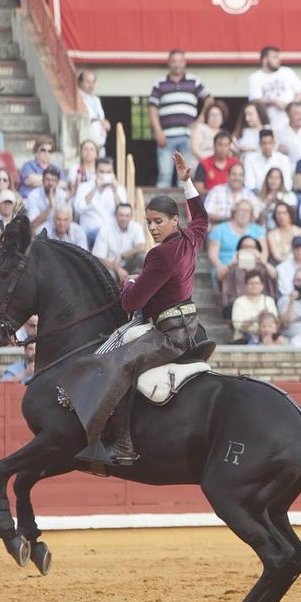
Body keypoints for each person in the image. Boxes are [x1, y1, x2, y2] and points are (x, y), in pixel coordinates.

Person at [59, 152, 215, 468]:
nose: (153, 228)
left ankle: (123, 444)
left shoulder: (159, 255)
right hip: (190, 326)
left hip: (169, 335)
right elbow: (201, 217)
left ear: (174, 221)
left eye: (158, 222)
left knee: (120, 364)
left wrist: (130, 283)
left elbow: (131, 303)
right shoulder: (190, 238)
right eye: (149, 222)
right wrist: (186, 183)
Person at [149, 48, 212, 186]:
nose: (177, 64)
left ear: (184, 63)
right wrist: (158, 132)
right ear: (169, 63)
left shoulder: (194, 81)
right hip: (166, 137)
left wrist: (200, 120)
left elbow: (209, 100)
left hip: (188, 136)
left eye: (180, 61)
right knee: (164, 175)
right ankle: (162, 201)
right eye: (174, 61)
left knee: (184, 176)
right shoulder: (159, 84)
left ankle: (185, 201)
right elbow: (152, 109)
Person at [247, 45, 301, 132]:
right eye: (274, 57)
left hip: (291, 123)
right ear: (265, 59)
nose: (278, 60)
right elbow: (254, 100)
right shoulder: (255, 77)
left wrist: (292, 106)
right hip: (269, 124)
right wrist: (274, 102)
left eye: (278, 57)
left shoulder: (287, 72)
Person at [73, 157, 128, 248]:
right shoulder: (84, 187)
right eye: (102, 172)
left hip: (112, 234)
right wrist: (95, 188)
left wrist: (115, 191)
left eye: (108, 172)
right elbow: (79, 208)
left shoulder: (119, 189)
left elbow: (123, 212)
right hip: (89, 233)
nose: (105, 175)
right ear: (95, 172)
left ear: (113, 173)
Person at [92, 203, 146, 284]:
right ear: (115, 215)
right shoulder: (105, 229)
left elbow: (142, 247)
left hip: (128, 264)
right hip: (110, 266)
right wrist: (118, 269)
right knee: (109, 276)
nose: (124, 218)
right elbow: (99, 257)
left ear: (131, 217)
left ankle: (136, 286)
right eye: (121, 215)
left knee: (141, 257)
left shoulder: (136, 227)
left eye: (127, 216)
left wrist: (122, 257)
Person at [229, 269, 278, 342]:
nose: (254, 286)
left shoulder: (269, 301)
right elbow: (238, 326)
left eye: (257, 283)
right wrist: (257, 317)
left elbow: (274, 321)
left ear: (262, 286)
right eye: (251, 283)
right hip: (244, 338)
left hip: (266, 336)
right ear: (246, 286)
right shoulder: (239, 302)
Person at [243, 127, 292, 193]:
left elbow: (287, 185)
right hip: (257, 195)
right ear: (259, 144)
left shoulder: (284, 159)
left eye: (269, 143)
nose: (267, 147)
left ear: (274, 143)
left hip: (280, 195)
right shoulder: (250, 159)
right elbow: (249, 185)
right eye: (264, 143)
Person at [193, 129, 240, 196]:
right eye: (220, 144)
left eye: (226, 145)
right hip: (209, 199)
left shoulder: (236, 164)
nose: (222, 148)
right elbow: (198, 189)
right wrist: (217, 193)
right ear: (214, 145)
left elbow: (241, 186)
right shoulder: (203, 164)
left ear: (229, 147)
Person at [25, 163, 67, 233]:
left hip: (59, 230)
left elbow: (66, 220)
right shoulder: (34, 195)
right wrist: (50, 207)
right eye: (47, 179)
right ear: (42, 180)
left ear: (57, 182)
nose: (50, 183)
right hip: (40, 231)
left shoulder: (62, 194)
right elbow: (33, 224)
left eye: (53, 180)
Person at [76, 68, 109, 155]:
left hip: (100, 147)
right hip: (87, 149)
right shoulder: (77, 98)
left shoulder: (96, 99)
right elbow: (82, 118)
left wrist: (105, 123)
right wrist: (99, 121)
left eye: (93, 82)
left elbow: (101, 118)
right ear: (80, 82)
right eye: (88, 82)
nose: (91, 85)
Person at [19, 134, 60, 199]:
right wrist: (53, 181)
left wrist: (40, 180)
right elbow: (29, 181)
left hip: (49, 200)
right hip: (28, 199)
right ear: (36, 151)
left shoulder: (55, 168)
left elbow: (63, 183)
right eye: (43, 150)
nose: (46, 153)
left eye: (49, 151)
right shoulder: (28, 166)